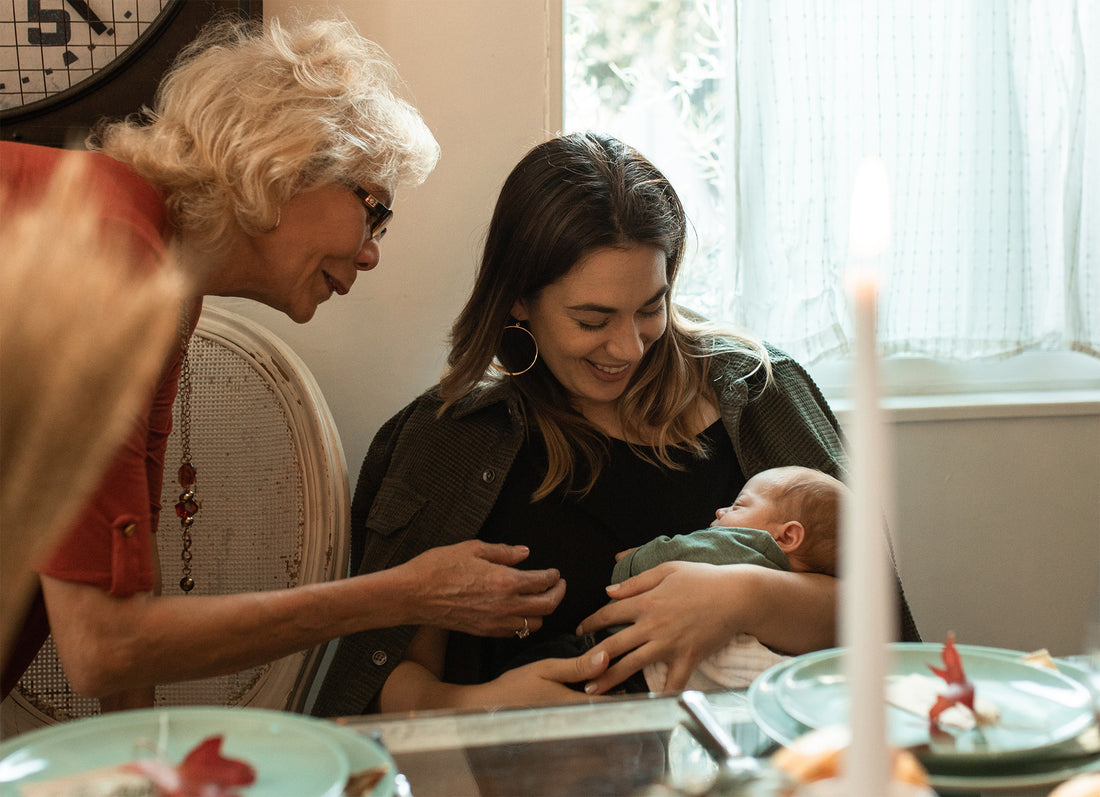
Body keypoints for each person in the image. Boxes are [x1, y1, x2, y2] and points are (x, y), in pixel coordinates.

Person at [0, 16, 572, 708]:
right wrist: (401, 594)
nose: (371, 253)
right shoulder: (111, 262)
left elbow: (125, 604)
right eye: (375, 211)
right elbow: (103, 645)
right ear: (288, 163)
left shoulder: (165, 289)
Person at [311, 132, 919, 717]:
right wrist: (478, 706)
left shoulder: (758, 395)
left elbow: (880, 623)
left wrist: (742, 597)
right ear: (519, 300)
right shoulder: (451, 441)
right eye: (592, 319)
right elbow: (378, 672)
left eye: (650, 308)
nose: (628, 348)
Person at [613, 465, 846, 693]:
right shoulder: (798, 597)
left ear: (786, 536)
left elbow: (675, 554)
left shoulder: (747, 545)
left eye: (738, 506)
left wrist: (634, 558)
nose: (720, 511)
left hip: (635, 665)